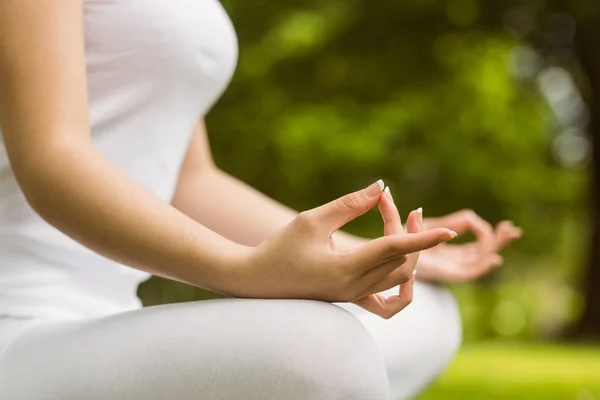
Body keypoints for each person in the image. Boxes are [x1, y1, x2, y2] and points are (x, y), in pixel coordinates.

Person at [0, 1, 522, 399]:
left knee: (428, 313)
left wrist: (372, 253)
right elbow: (51, 156)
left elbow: (192, 181)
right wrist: (245, 270)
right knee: (325, 351)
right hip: (17, 322)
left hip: (109, 318)